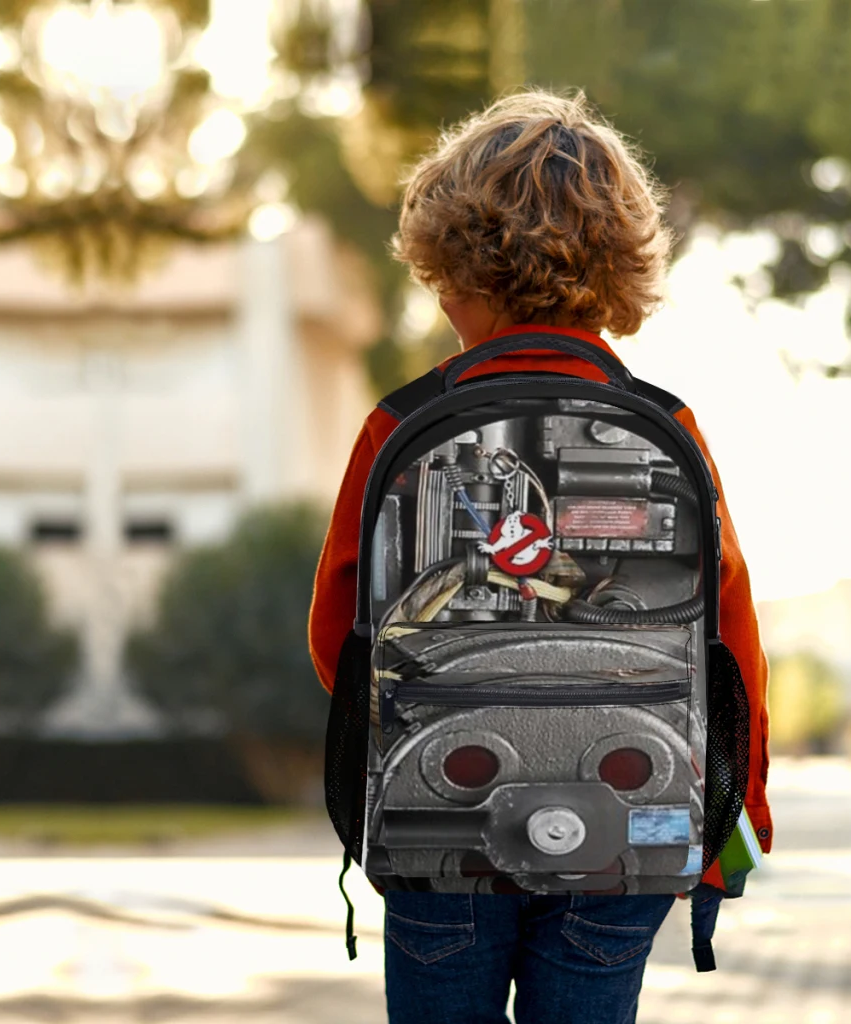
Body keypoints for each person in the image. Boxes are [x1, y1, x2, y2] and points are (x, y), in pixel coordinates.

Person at [309, 88, 772, 1024]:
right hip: (628, 825)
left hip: (441, 823)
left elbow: (336, 635)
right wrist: (737, 814)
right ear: (621, 270)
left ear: (452, 269)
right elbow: (729, 640)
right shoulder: (668, 427)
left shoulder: (400, 426)